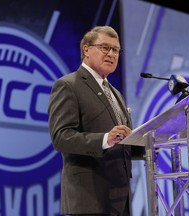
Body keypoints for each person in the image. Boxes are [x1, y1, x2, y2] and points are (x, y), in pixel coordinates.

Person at [48, 25, 145, 216]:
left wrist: (148, 144)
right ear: (86, 49)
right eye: (105, 47)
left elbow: (122, 143)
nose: (111, 54)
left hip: (119, 200)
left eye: (116, 50)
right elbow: (61, 137)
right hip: (88, 199)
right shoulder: (68, 85)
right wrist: (105, 140)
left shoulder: (115, 93)